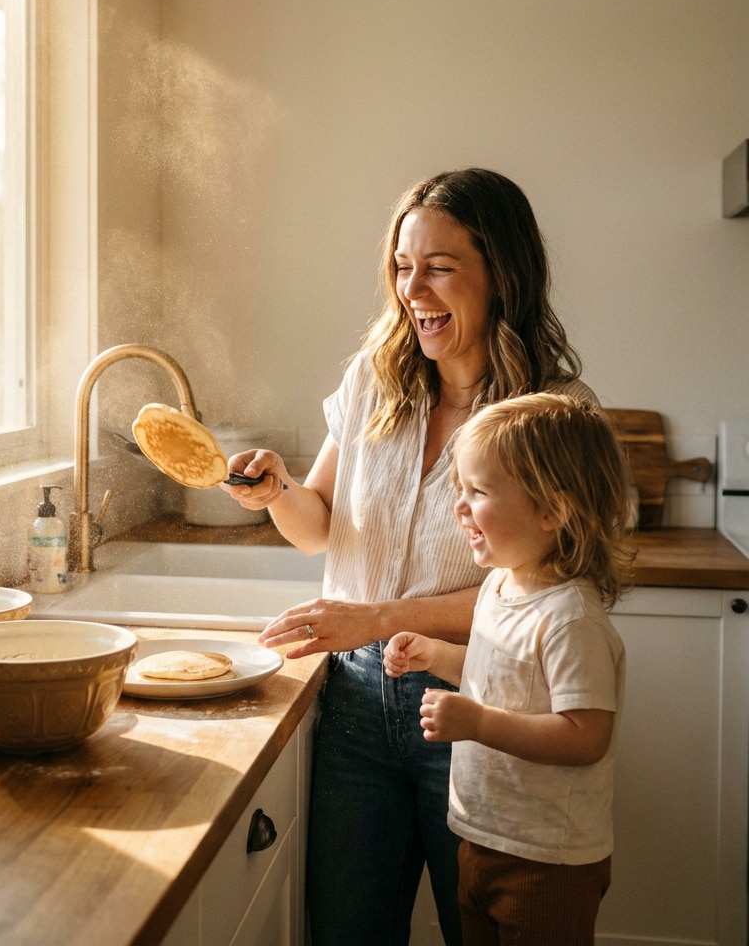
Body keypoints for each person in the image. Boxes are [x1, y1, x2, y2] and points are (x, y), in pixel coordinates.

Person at [223, 168, 598, 946]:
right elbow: (320, 524)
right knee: (348, 933)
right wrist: (278, 490)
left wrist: (378, 616)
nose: (413, 290)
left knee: (485, 932)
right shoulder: (374, 379)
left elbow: (534, 593)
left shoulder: (550, 415)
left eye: (439, 267)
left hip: (478, 703)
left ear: (502, 273)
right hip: (355, 704)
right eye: (401, 267)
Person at [383, 393, 633, 946]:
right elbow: (497, 676)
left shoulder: (571, 620)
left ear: (552, 511)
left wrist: (476, 723)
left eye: (479, 492)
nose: (459, 507)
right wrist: (435, 655)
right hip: (482, 839)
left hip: (548, 861)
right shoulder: (500, 585)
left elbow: (585, 735)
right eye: (460, 489)